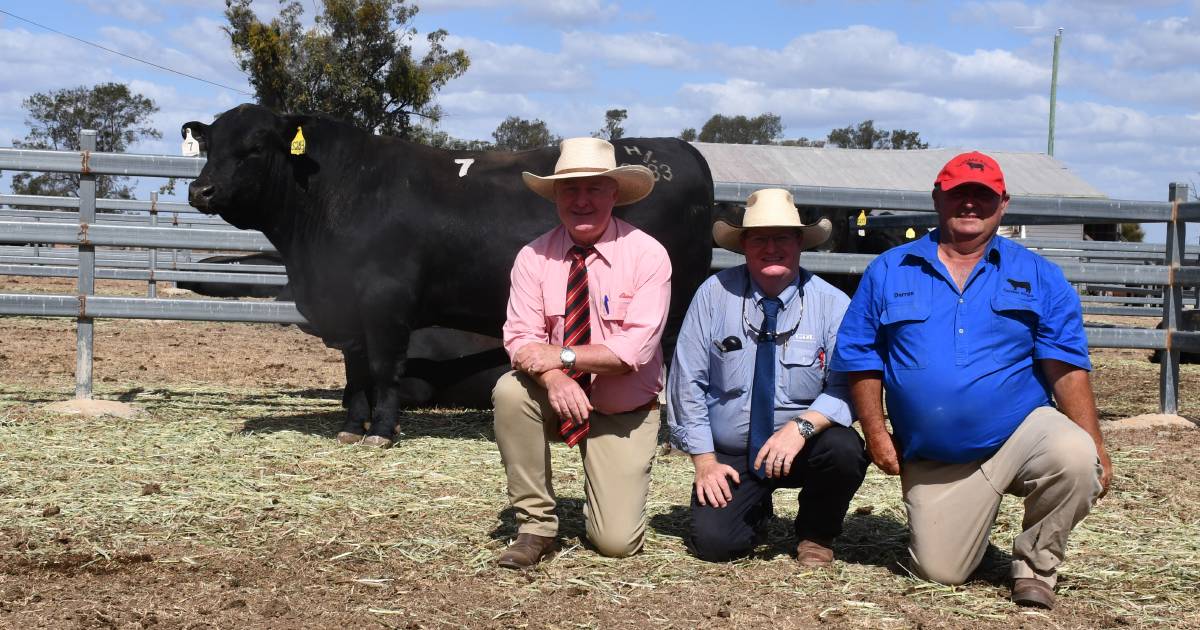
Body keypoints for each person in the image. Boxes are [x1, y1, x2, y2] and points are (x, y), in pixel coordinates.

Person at [831, 151, 1113, 609]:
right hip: (938, 455)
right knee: (941, 572)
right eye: (958, 194)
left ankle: (1036, 566)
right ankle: (970, 527)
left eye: (982, 196)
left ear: (1003, 203)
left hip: (1021, 432)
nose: (969, 205)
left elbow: (1065, 363)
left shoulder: (1039, 274)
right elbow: (861, 357)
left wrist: (1095, 441)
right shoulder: (889, 269)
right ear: (937, 199)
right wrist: (877, 433)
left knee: (1076, 458)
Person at [493, 137, 671, 569]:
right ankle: (536, 527)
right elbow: (520, 337)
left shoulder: (648, 255)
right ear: (556, 196)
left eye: (594, 188)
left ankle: (604, 501)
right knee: (511, 392)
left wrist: (562, 358)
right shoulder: (532, 257)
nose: (582, 200)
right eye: (570, 189)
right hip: (557, 396)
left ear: (614, 194)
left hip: (623, 409)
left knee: (615, 544)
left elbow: (633, 351)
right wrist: (552, 376)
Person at [667, 188, 868, 566]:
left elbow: (848, 387)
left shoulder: (833, 304)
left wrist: (801, 427)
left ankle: (816, 533)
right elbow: (686, 383)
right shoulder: (712, 295)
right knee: (716, 546)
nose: (771, 247)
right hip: (732, 450)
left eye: (782, 237)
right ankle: (755, 509)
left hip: (804, 445)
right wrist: (705, 461)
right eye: (759, 238)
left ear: (800, 243)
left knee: (845, 449)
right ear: (743, 245)